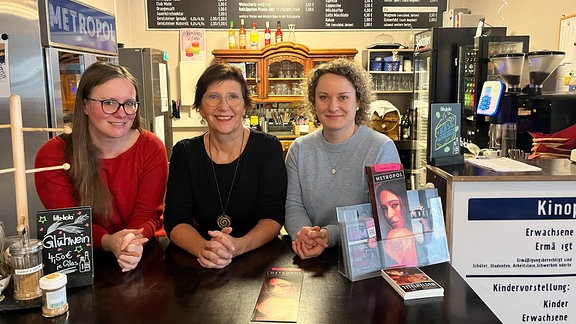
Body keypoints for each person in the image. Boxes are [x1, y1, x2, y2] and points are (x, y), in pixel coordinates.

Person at [34, 62, 168, 272]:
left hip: (141, 254)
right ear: (85, 105)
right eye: (109, 102)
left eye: (129, 103)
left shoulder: (151, 147)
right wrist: (111, 242)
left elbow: (147, 212)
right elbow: (69, 224)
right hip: (80, 261)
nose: (122, 113)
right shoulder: (52, 155)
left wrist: (130, 242)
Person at [164, 63, 287, 269]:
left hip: (257, 261)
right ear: (200, 108)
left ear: (245, 105)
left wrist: (238, 246)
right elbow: (176, 220)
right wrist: (205, 249)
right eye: (213, 97)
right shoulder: (185, 152)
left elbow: (273, 217)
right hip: (201, 262)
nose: (224, 106)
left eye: (233, 96)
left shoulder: (267, 147)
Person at [285, 58, 402, 260]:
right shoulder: (299, 149)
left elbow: (386, 215)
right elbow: (292, 205)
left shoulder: (382, 147)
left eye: (343, 97)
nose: (333, 106)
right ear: (314, 102)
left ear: (358, 101)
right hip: (309, 255)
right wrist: (303, 233)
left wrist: (331, 235)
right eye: (323, 97)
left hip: (367, 257)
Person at [377, 186, 417, 267]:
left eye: (394, 205)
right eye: (384, 208)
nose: (389, 215)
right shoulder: (393, 235)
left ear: (406, 202)